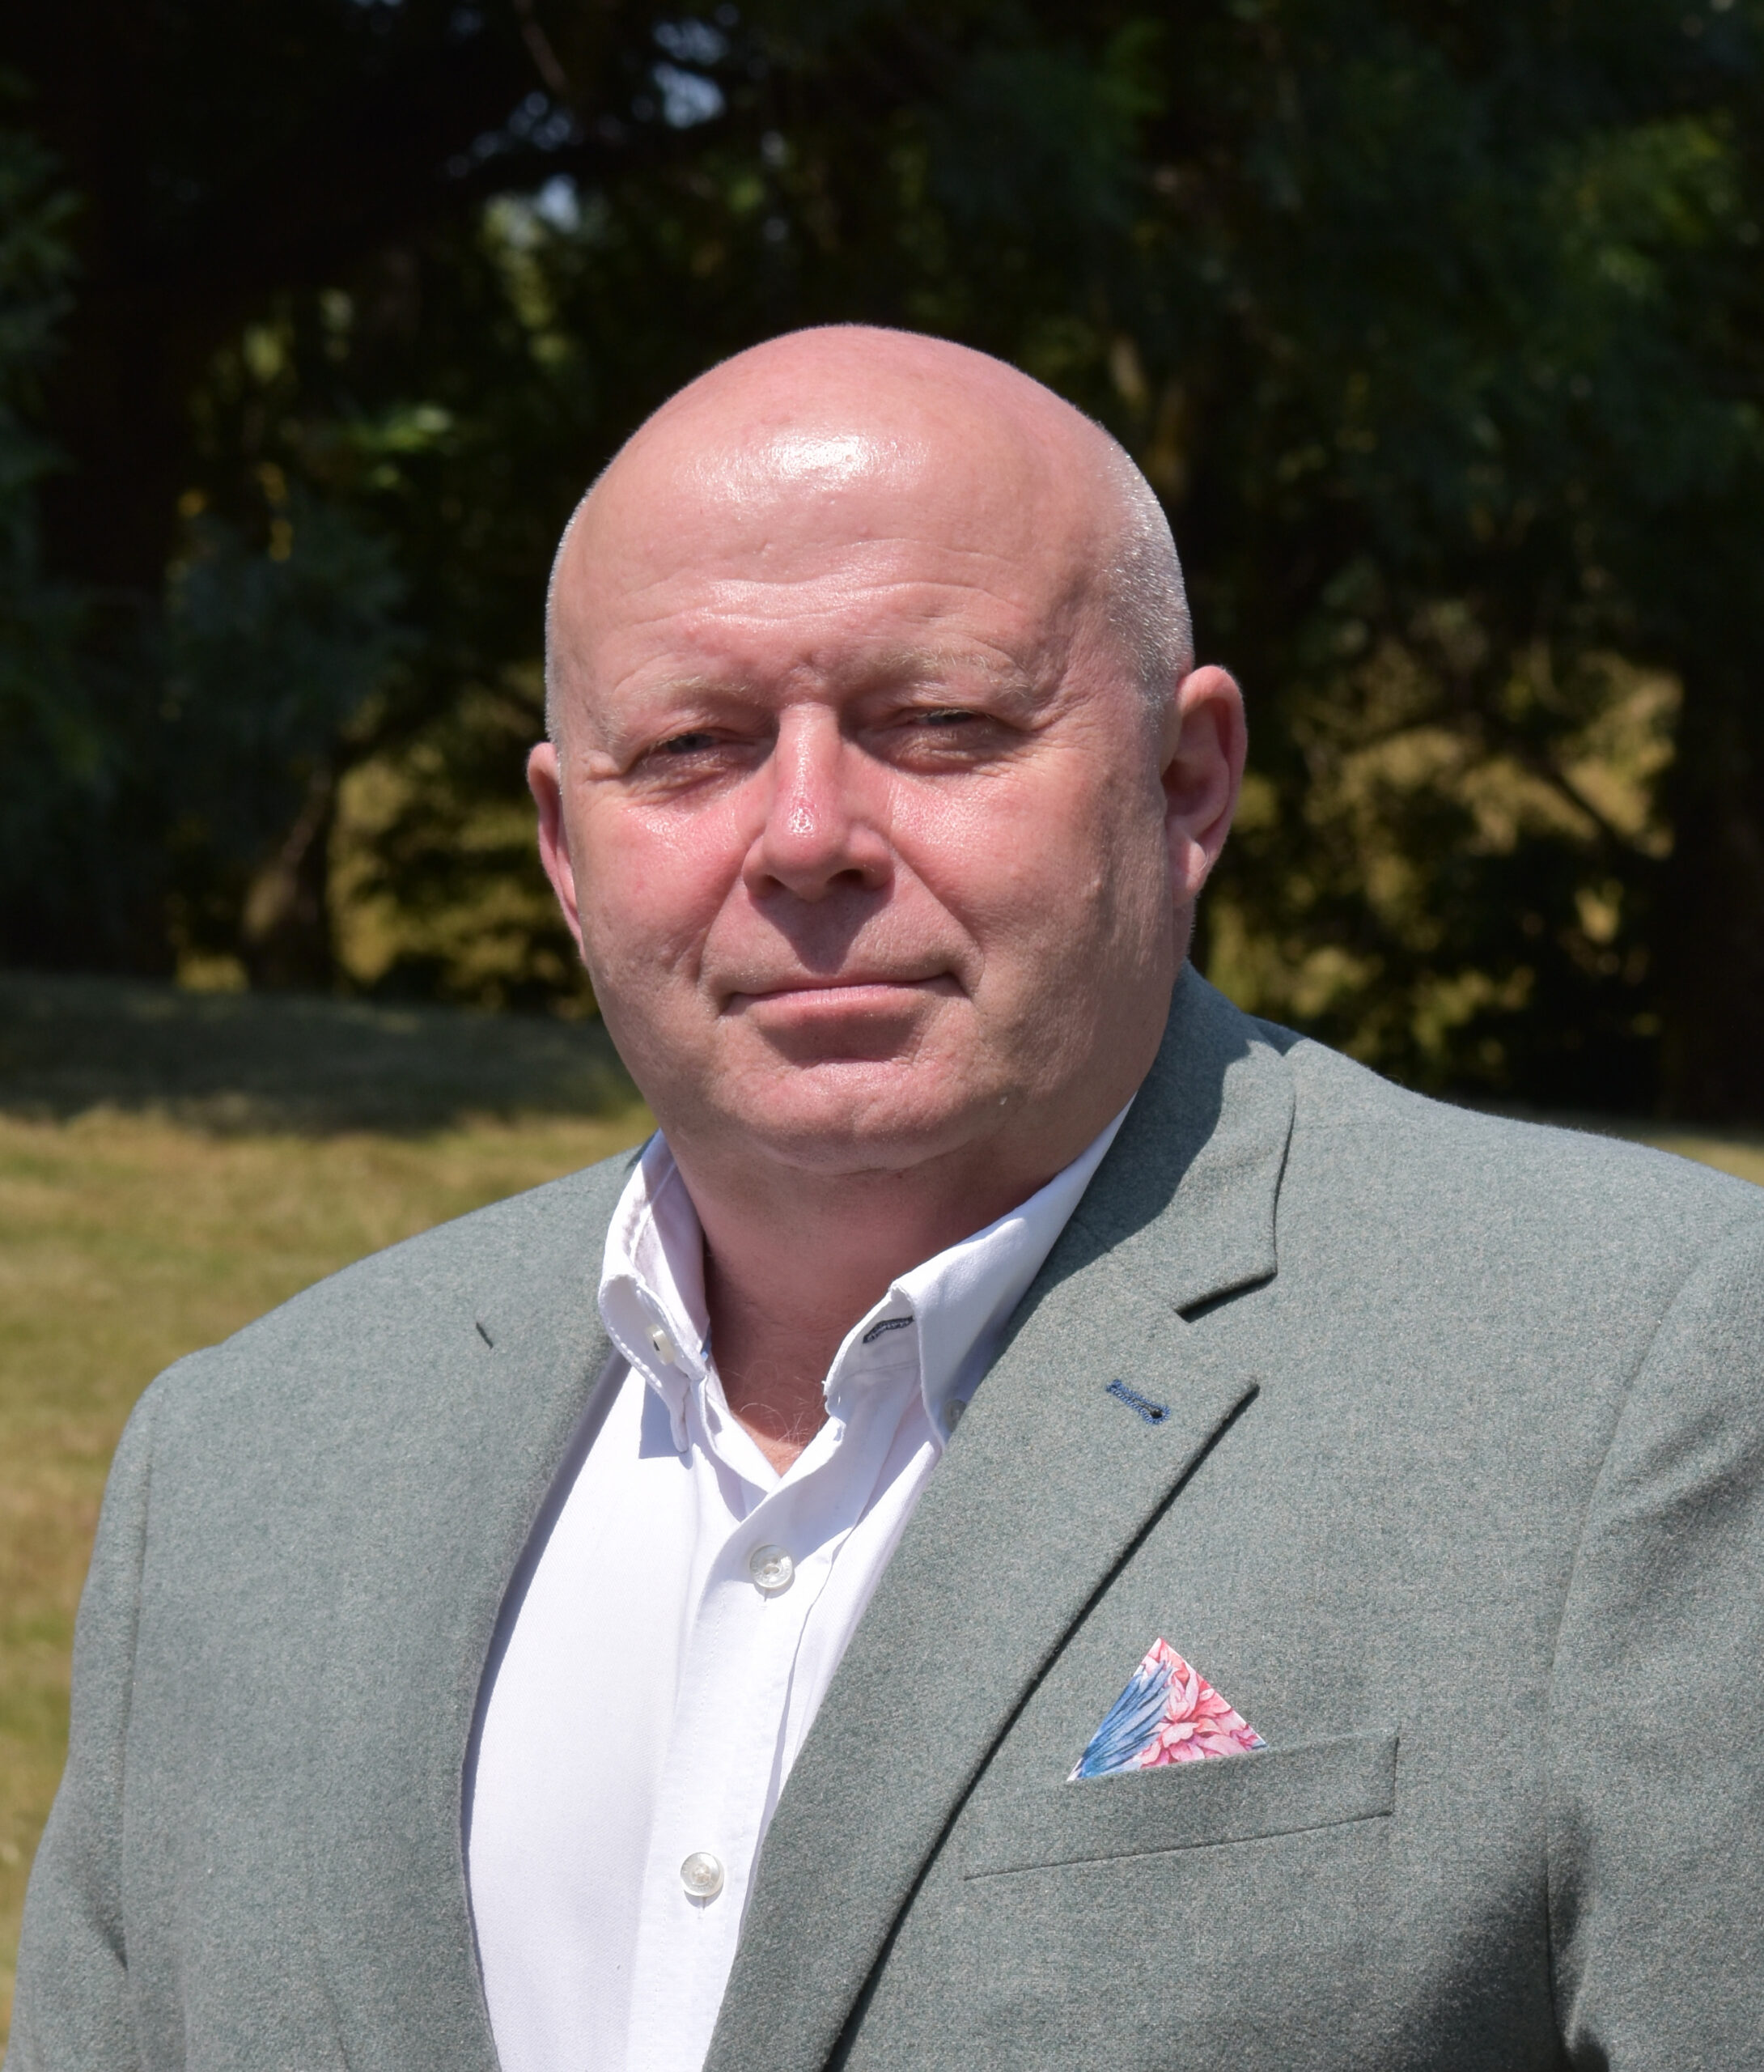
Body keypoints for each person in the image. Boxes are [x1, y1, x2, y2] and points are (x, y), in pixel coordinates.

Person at [10, 327, 1763, 2072]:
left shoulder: (1633, 1379)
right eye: (690, 746)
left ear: (1186, 779)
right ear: (564, 846)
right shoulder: (240, 1471)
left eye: (936, 724)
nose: (803, 834)